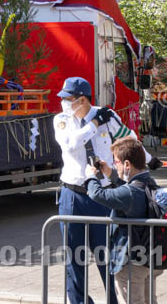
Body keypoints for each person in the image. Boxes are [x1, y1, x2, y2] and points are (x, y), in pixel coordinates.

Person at [54, 76, 120, 304]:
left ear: (82, 100)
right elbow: (71, 144)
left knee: (107, 256)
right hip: (72, 195)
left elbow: (125, 137)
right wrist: (94, 126)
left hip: (101, 196)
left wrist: (148, 161)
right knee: (74, 258)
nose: (63, 102)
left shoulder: (105, 115)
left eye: (68, 99)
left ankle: (114, 300)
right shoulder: (62, 120)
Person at [85, 138, 163, 304]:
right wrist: (111, 175)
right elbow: (128, 191)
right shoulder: (149, 182)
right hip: (149, 256)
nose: (115, 165)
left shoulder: (129, 192)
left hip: (130, 261)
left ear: (127, 164)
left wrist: (90, 177)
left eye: (116, 162)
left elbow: (98, 194)